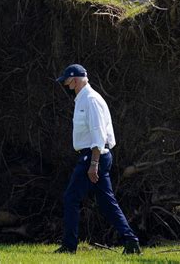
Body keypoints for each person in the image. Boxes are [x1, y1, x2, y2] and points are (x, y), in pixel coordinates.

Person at [54, 64, 141, 254]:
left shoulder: (91, 100)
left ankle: (69, 246)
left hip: (94, 156)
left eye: (67, 81)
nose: (66, 84)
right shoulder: (82, 99)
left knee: (71, 198)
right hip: (95, 156)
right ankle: (131, 242)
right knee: (107, 203)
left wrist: (93, 163)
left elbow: (98, 135)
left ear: (74, 79)